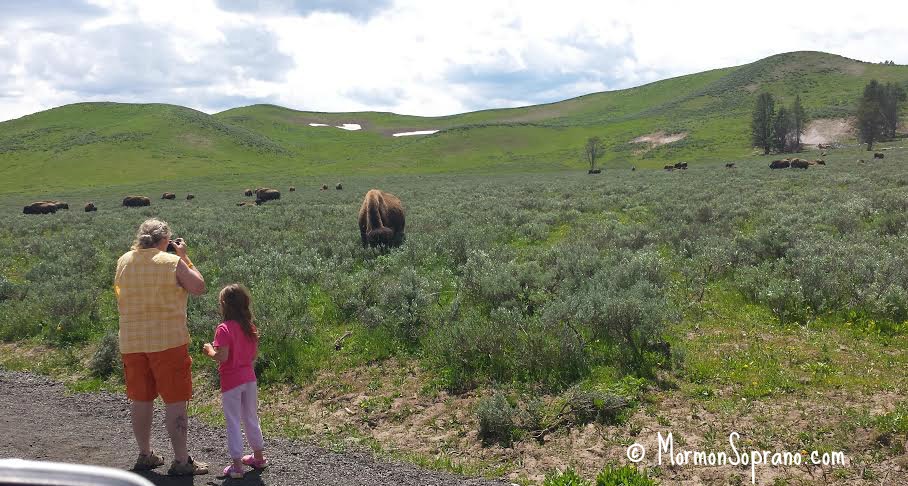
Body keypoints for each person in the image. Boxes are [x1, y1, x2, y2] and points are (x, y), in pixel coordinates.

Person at [114, 218, 208, 476]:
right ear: (164, 240)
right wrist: (185, 257)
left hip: (132, 342)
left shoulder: (123, 260)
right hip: (168, 341)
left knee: (141, 399)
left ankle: (145, 455)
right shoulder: (172, 262)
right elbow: (199, 286)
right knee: (175, 401)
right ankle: (181, 461)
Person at [203, 284, 268, 479]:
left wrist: (209, 351)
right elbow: (253, 355)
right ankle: (259, 457)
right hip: (249, 378)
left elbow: (222, 357)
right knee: (250, 416)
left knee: (233, 421)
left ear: (224, 305)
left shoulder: (223, 329)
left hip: (231, 380)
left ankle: (237, 466)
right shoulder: (250, 327)